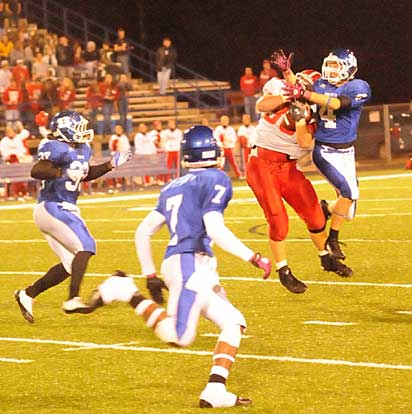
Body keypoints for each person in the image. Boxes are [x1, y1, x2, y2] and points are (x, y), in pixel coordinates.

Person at [73, 125, 271, 408]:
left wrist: (151, 274)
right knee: (180, 336)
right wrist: (253, 257)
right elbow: (214, 228)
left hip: (188, 264)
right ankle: (126, 291)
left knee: (233, 323)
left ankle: (215, 389)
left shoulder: (173, 185)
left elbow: (144, 231)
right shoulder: (216, 178)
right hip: (190, 262)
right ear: (213, 151)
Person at [247, 49, 352, 294]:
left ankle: (325, 257)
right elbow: (262, 105)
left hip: (288, 167)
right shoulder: (278, 86)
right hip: (261, 164)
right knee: (278, 221)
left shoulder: (315, 113)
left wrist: (302, 117)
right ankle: (283, 270)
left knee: (315, 216)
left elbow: (304, 142)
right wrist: (288, 100)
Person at [14, 110, 132, 323]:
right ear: (65, 130)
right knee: (86, 246)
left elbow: (84, 174)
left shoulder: (82, 149)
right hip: (53, 206)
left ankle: (27, 294)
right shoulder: (54, 146)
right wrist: (60, 173)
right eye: (78, 128)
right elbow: (38, 170)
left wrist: (109, 165)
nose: (84, 132)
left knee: (70, 264)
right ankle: (72, 300)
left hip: (58, 209)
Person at [282, 48, 372, 260]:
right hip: (324, 151)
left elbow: (337, 103)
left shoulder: (358, 87)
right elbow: (296, 87)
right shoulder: (320, 84)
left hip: (347, 153)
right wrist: (287, 72)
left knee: (348, 211)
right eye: (329, 65)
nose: (330, 70)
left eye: (336, 66)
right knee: (349, 193)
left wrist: (305, 94)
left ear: (349, 68)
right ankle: (332, 239)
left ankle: (326, 209)